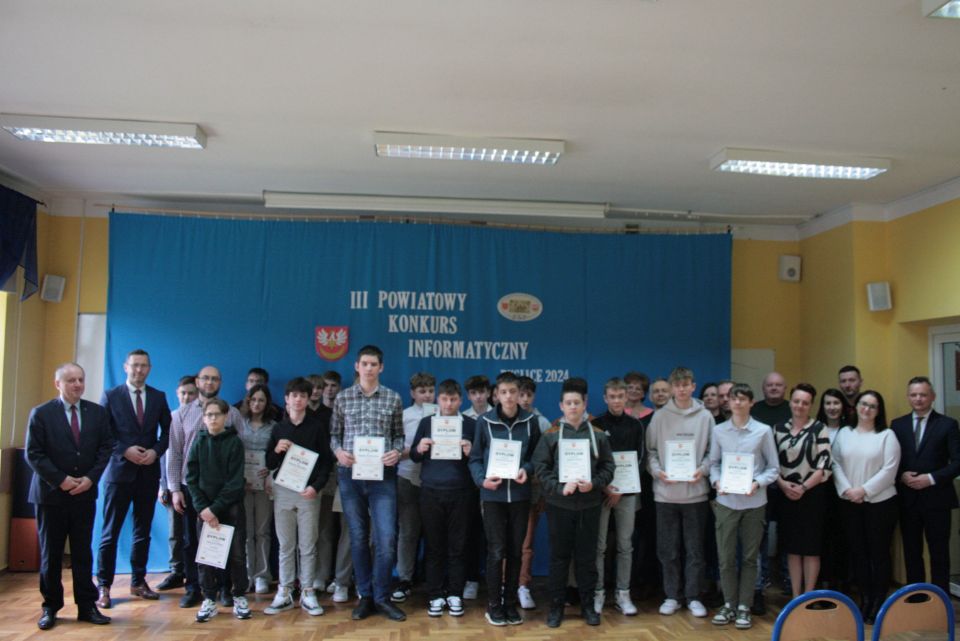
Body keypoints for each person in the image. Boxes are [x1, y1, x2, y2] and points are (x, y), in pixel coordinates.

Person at [26, 363, 113, 630]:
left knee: (82, 553)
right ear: (58, 384)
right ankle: (50, 607)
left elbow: (105, 448)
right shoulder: (41, 413)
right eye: (71, 380)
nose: (77, 384)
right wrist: (61, 480)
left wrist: (90, 479)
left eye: (81, 380)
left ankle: (87, 606)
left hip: (84, 494)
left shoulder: (97, 413)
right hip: (50, 496)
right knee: (51, 554)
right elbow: (33, 454)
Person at [330, 345, 406, 621]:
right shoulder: (343, 398)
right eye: (365, 363)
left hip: (383, 477)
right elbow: (334, 435)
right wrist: (338, 452)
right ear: (357, 366)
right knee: (359, 537)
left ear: (381, 367)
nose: (369, 368)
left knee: (386, 538)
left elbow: (399, 436)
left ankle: (383, 597)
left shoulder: (393, 398)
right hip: (350, 476)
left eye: (374, 364)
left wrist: (396, 452)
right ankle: (365, 596)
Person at [533, 377, 615, 628]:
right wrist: (560, 487)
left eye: (577, 403)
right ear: (561, 406)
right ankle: (556, 607)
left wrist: (595, 483)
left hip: (589, 504)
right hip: (559, 505)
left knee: (587, 558)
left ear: (584, 404)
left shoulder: (597, 435)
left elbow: (609, 467)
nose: (572, 407)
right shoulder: (551, 435)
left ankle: (588, 606)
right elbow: (540, 468)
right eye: (568, 403)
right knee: (559, 558)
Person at [96, 349, 170, 608]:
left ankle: (138, 581)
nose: (139, 370)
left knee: (143, 531)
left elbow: (168, 433)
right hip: (118, 474)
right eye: (135, 365)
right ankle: (104, 586)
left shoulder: (159, 397)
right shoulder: (111, 395)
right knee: (110, 532)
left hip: (147, 474)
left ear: (149, 368)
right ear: (126, 367)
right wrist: (124, 450)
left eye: (144, 366)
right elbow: (102, 432)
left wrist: (155, 452)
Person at [167, 365, 246, 608]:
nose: (210, 382)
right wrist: (175, 489)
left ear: (220, 382)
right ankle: (194, 588)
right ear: (197, 381)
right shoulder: (180, 414)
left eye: (214, 379)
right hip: (193, 489)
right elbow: (175, 452)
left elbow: (240, 447)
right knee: (192, 541)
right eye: (205, 378)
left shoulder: (232, 413)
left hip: (224, 491)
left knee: (224, 540)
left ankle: (224, 588)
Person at [468, 371, 541, 626]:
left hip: (520, 496)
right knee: (496, 551)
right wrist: (482, 480)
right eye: (504, 392)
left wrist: (527, 469)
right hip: (493, 496)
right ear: (496, 395)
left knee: (515, 551)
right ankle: (494, 605)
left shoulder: (531, 422)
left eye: (513, 392)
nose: (509, 397)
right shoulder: (484, 422)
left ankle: (510, 604)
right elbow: (475, 458)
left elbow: (536, 457)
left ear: (520, 394)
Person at [708, 383, 779, 631]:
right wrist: (717, 482)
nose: (737, 403)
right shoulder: (718, 431)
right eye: (733, 398)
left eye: (742, 399)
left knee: (750, 558)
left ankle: (744, 607)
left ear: (751, 402)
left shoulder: (763, 431)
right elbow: (713, 464)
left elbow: (773, 468)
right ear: (728, 402)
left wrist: (757, 483)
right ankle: (728, 603)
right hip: (726, 502)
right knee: (726, 557)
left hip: (754, 502)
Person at [263, 377, 334, 616]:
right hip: (283, 491)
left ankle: (308, 591)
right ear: (286, 399)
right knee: (285, 544)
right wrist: (276, 450)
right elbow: (269, 463)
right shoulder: (278, 429)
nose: (298, 400)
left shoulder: (316, 427)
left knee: (308, 544)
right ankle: (284, 591)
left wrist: (316, 486)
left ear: (307, 398)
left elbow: (326, 462)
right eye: (294, 395)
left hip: (308, 491)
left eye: (303, 396)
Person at [646, 367, 713, 618]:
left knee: (695, 550)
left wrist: (703, 470)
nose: (682, 389)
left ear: (693, 386)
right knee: (668, 550)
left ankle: (694, 596)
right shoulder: (660, 417)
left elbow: (712, 452)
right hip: (665, 494)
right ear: (672, 388)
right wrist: (657, 472)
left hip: (696, 494)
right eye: (678, 385)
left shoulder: (705, 416)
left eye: (686, 385)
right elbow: (650, 452)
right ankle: (672, 595)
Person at [409, 379, 477, 617]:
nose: (449, 404)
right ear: (438, 400)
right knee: (434, 546)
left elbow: (481, 459)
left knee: (459, 546)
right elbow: (414, 456)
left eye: (453, 399)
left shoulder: (471, 424)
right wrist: (420, 448)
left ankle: (455, 593)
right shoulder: (427, 423)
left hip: (461, 492)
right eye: (445, 399)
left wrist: (471, 451)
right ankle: (435, 594)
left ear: (461, 400)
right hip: (431, 491)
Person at [832, 391, 901, 624]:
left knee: (878, 554)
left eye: (872, 406)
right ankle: (865, 599)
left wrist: (863, 490)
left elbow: (889, 470)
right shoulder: (845, 433)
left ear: (878, 411)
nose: (867, 409)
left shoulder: (887, 435)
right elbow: (835, 463)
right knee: (858, 553)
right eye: (863, 404)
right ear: (856, 407)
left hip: (880, 504)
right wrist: (848, 490)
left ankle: (879, 602)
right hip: (850, 502)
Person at [890, 377, 960, 591]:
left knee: (939, 553)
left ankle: (940, 600)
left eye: (923, 394)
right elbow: (891, 461)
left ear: (932, 397)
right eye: (914, 395)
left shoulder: (947, 424)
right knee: (912, 553)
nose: (918, 399)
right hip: (908, 499)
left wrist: (930, 479)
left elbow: (957, 463)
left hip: (937, 499)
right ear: (908, 397)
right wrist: (901, 475)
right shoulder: (897, 425)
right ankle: (916, 597)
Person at [186, 398, 250, 622]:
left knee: (237, 555)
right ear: (204, 418)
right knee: (206, 557)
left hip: (231, 508)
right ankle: (209, 599)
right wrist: (203, 508)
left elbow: (235, 483)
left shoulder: (234, 443)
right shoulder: (198, 442)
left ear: (226, 417)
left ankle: (239, 596)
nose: (213, 418)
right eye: (209, 415)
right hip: (204, 511)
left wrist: (214, 509)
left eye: (217, 414)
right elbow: (191, 479)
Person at [591, 378, 643, 616]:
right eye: (612, 397)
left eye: (620, 396)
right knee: (599, 546)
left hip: (627, 493)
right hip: (602, 492)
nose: (616, 401)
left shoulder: (635, 425)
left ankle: (623, 593)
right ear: (605, 398)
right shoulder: (597, 425)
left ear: (626, 397)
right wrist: (606, 487)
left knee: (625, 545)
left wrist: (621, 488)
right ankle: (598, 592)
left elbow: (640, 458)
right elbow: (592, 461)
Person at [774, 384, 831, 597]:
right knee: (793, 549)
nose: (800, 405)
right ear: (790, 402)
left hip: (812, 495)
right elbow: (771, 463)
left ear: (811, 405)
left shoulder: (819, 428)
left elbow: (824, 464)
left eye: (805, 403)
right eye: (796, 401)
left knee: (811, 549)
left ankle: (809, 596)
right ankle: (796, 596)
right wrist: (782, 484)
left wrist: (804, 487)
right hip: (786, 494)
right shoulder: (778, 429)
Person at [392, 372, 435, 603]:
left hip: (434, 481)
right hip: (408, 478)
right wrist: (417, 450)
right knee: (408, 531)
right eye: (422, 391)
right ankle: (404, 579)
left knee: (434, 532)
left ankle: (433, 579)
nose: (427, 395)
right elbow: (396, 452)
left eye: (430, 390)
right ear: (412, 393)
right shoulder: (404, 416)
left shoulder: (443, 414)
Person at [315, 369, 353, 602]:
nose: (329, 390)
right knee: (325, 529)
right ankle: (321, 575)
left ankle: (341, 580)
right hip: (325, 478)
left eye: (333, 386)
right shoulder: (316, 415)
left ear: (340, 389)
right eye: (325, 385)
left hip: (347, 476)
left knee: (347, 530)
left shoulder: (346, 412)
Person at [157, 375, 197, 591]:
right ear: (177, 393)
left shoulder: (200, 419)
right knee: (175, 530)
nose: (187, 397)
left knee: (193, 533)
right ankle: (176, 570)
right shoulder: (171, 417)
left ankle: (195, 572)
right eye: (183, 393)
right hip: (172, 483)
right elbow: (165, 455)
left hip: (192, 483)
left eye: (191, 393)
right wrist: (163, 485)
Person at [237, 383, 278, 595]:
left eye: (261, 400)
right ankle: (246, 574)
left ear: (267, 403)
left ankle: (262, 575)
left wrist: (270, 471)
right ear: (248, 401)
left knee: (262, 531)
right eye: (253, 399)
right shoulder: (239, 423)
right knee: (246, 531)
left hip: (264, 484)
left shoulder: (273, 427)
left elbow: (277, 455)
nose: (256, 403)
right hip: (242, 484)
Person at [516, 375, 550, 610]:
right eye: (521, 394)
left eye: (529, 395)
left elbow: (548, 462)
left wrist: (542, 490)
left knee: (526, 543)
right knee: (505, 543)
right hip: (506, 492)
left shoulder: (542, 422)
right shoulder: (504, 420)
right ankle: (505, 586)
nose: (525, 399)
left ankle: (523, 585)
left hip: (533, 492)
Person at [815, 388, 853, 591]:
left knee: (842, 537)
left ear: (843, 406)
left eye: (836, 403)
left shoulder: (851, 430)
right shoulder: (815, 428)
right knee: (822, 537)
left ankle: (842, 582)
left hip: (845, 491)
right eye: (828, 403)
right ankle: (823, 581)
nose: (832, 407)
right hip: (820, 490)